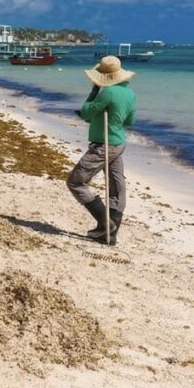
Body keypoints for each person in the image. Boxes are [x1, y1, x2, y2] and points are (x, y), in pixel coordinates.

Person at [67, 55, 136, 246]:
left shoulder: (107, 93)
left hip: (103, 145)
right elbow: (129, 121)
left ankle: (105, 223)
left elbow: (87, 112)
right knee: (116, 184)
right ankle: (111, 234)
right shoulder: (130, 93)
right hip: (118, 143)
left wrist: (93, 92)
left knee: (75, 182)